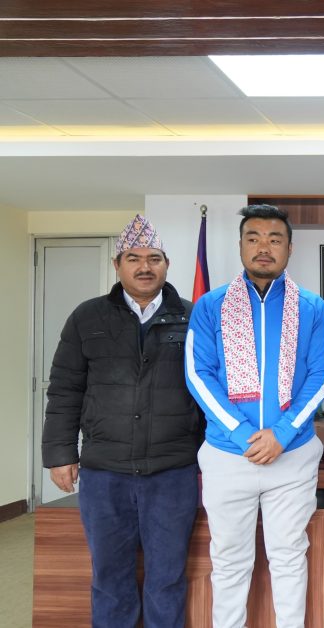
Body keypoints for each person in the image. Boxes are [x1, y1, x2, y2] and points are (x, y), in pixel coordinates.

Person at [42, 214, 202, 627]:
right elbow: (64, 389)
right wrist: (60, 453)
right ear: (118, 265)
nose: (145, 267)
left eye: (154, 258)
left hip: (173, 472)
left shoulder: (193, 317)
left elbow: (208, 393)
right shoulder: (87, 317)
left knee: (167, 578)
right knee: (110, 578)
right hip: (105, 473)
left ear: (167, 265)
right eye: (134, 258)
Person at [185, 204, 324, 628]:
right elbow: (198, 374)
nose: (263, 247)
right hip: (228, 455)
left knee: (289, 557)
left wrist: (282, 434)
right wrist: (243, 434)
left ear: (289, 248)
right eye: (253, 238)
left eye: (274, 239)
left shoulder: (312, 308)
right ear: (240, 246)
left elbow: (322, 374)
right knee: (229, 562)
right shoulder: (210, 306)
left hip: (292, 455)